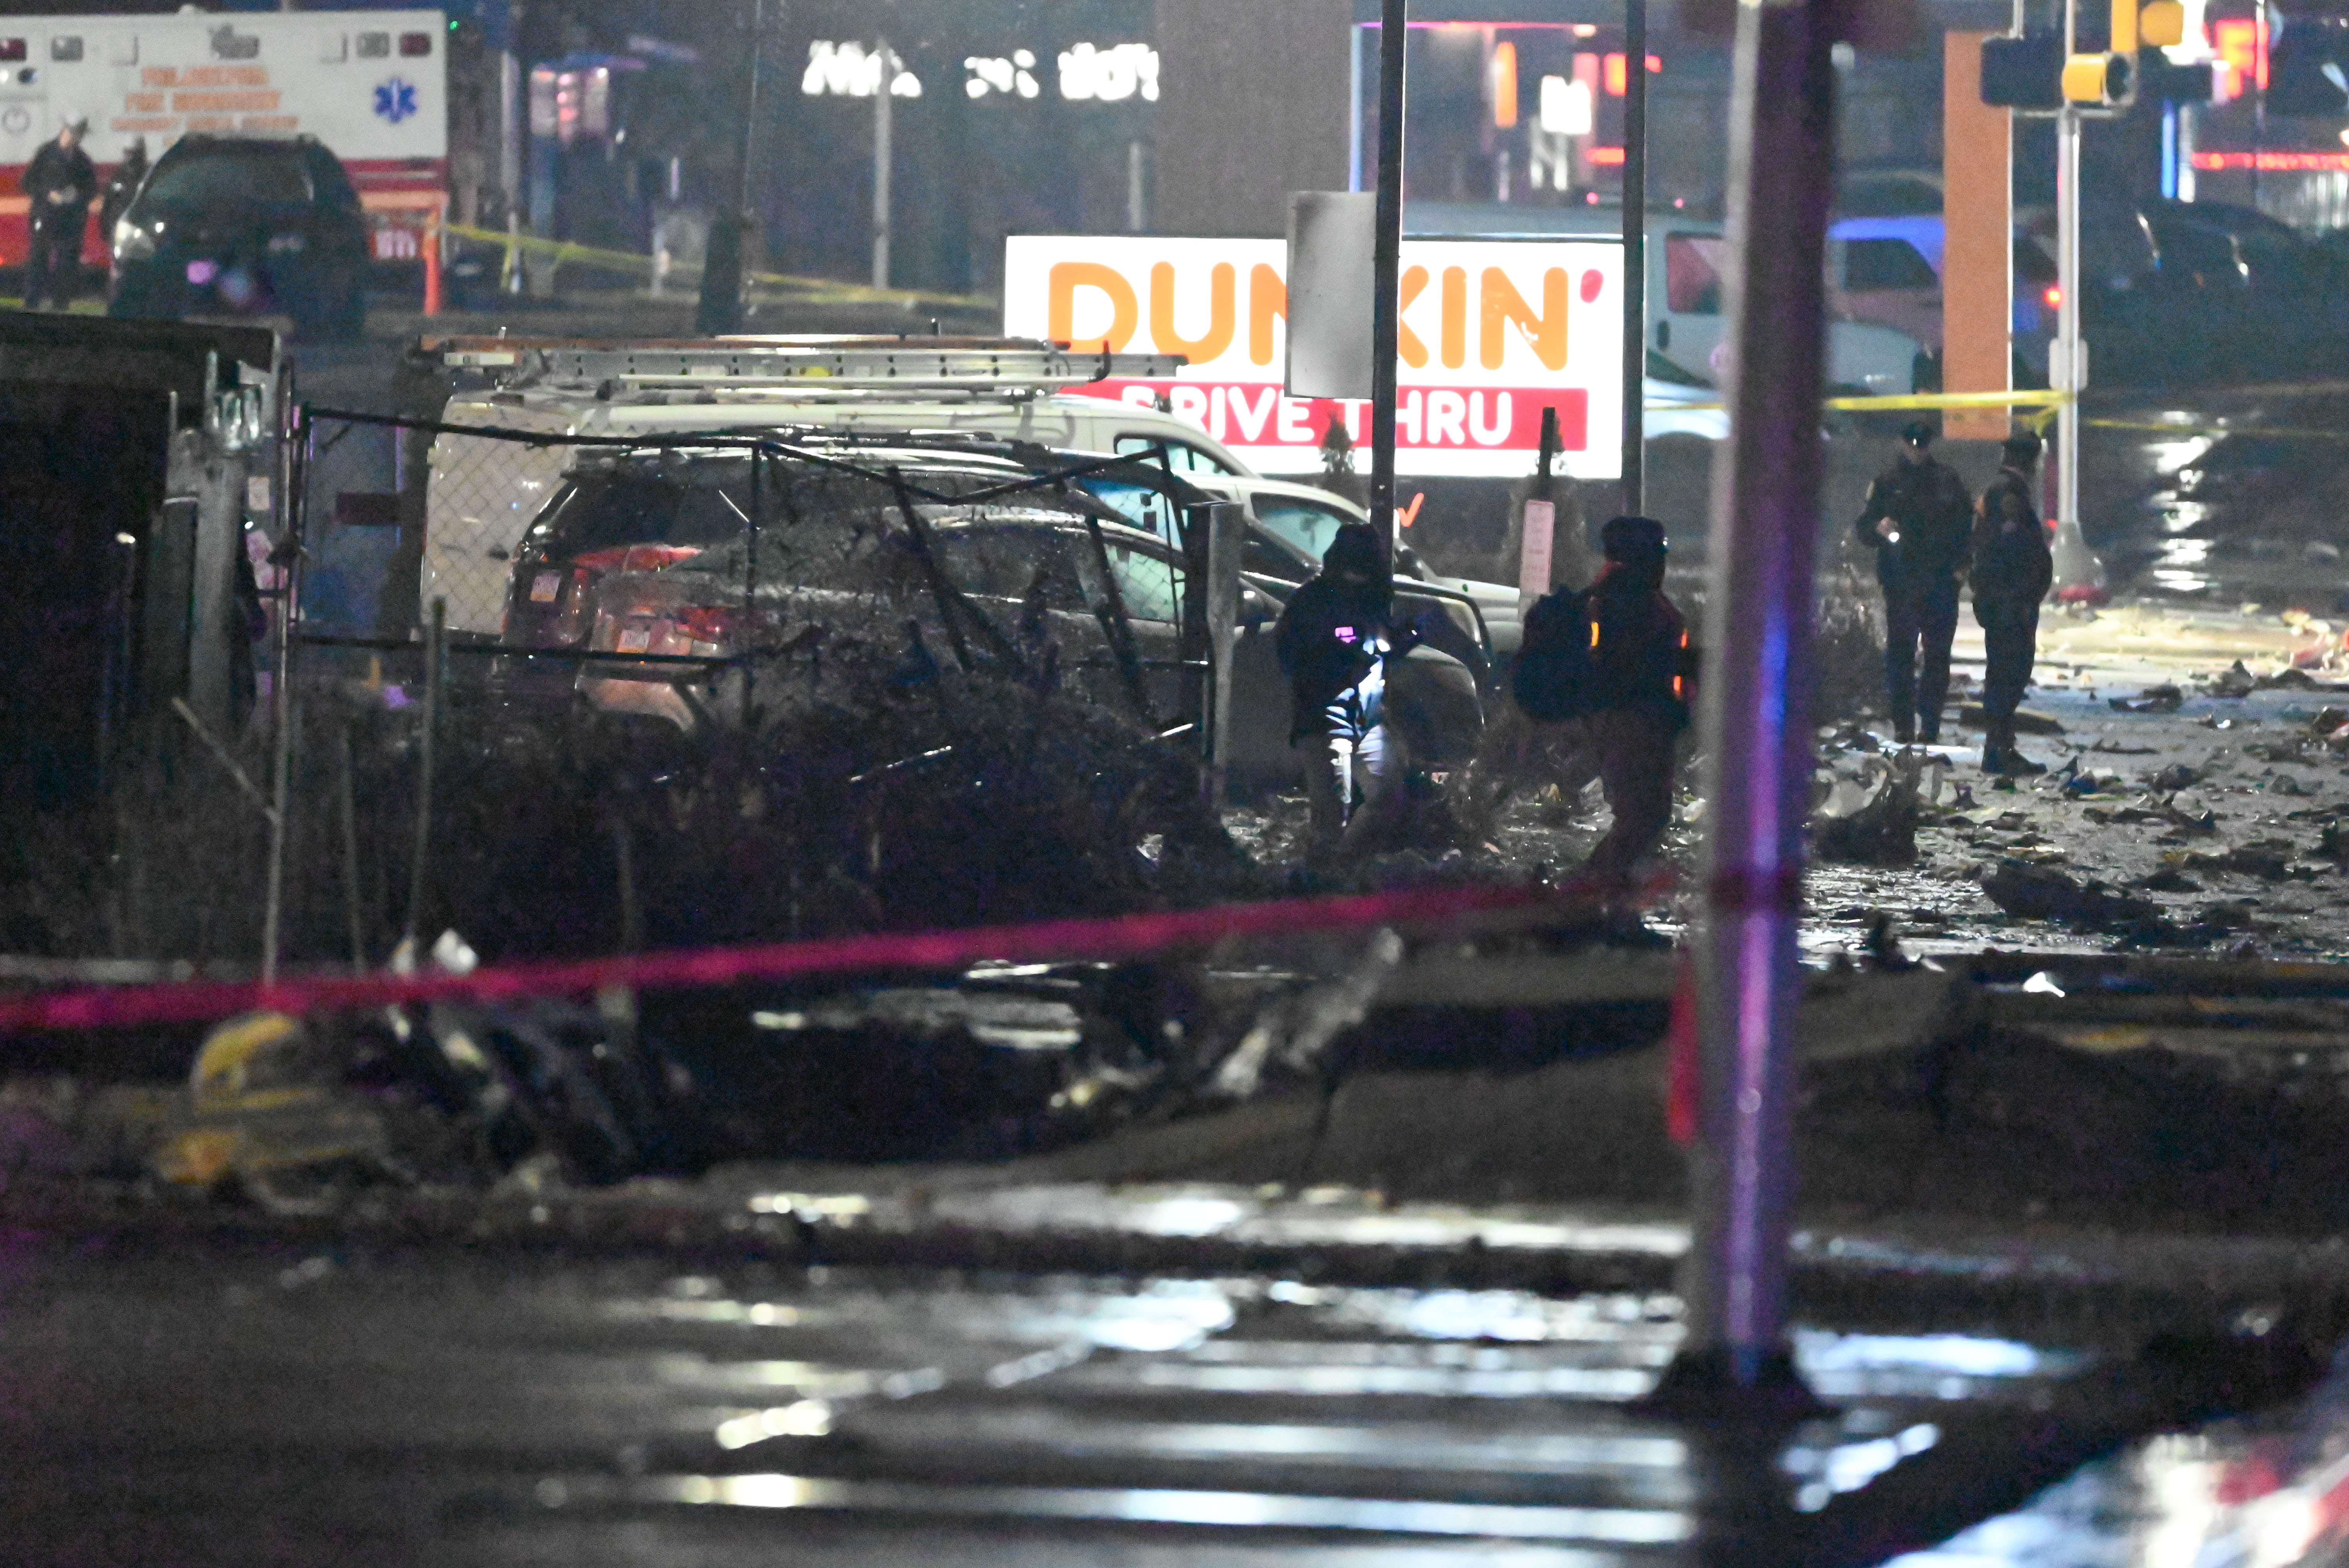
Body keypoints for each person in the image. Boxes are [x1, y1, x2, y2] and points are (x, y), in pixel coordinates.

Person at [1275, 522, 1420, 861]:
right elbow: (1290, 657)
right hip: (1324, 722)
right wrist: (1335, 654)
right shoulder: (1312, 600)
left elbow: (1380, 643)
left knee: (1387, 794)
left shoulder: (1375, 596)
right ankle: (1322, 883)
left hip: (1367, 718)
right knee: (1329, 816)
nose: (1358, 578)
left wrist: (1403, 639)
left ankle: (1343, 866)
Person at [1853, 420, 1974, 745]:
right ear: (1903, 444)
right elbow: (1864, 528)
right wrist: (1879, 527)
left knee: (1936, 658)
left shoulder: (1947, 482)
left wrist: (1959, 572)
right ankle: (1905, 726)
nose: (1917, 450)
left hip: (1938, 584)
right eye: (1913, 444)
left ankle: (1930, 724)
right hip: (1902, 584)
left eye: (1922, 444)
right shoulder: (1887, 483)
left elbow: (1967, 531)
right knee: (1902, 658)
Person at [1970, 429, 2053, 775]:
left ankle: (2002, 747)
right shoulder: (2009, 495)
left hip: (2006, 601)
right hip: (2009, 604)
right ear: (2031, 460)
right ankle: (1999, 750)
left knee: (2005, 674)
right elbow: (2009, 552)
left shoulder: (2004, 492)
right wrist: (2017, 595)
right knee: (2009, 674)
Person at [22, 119, 96, 310]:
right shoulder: (46, 154)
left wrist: (77, 196)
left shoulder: (82, 160)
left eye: (81, 134)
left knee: (66, 263)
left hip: (70, 219)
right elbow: (27, 182)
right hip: (45, 215)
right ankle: (32, 302)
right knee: (38, 259)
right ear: (66, 131)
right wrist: (48, 193)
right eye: (76, 133)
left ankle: (61, 305)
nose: (78, 138)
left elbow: (92, 188)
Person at [99, 136, 148, 253]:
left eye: (134, 153)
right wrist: (107, 230)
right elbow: (107, 203)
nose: (131, 157)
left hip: (139, 231)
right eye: (128, 152)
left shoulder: (148, 176)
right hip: (118, 230)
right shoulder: (119, 175)